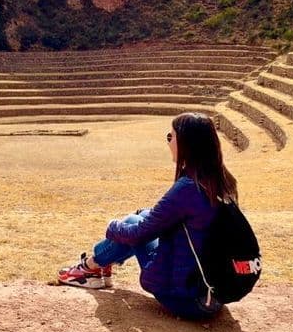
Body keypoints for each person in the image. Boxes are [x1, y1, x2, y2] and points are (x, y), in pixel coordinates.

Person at [57, 111, 239, 321]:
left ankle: (89, 268)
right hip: (214, 294)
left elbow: (138, 234)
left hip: (189, 301)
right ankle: (97, 267)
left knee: (130, 223)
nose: (168, 142)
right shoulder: (223, 182)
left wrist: (112, 226)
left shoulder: (188, 187)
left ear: (186, 143)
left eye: (171, 137)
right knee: (142, 215)